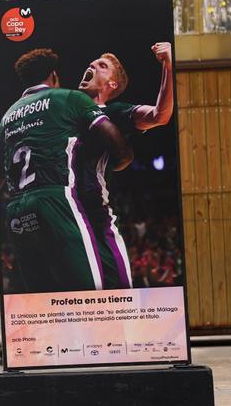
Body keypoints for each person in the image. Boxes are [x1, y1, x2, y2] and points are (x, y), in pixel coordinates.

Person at [0, 48, 132, 293]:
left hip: (16, 210)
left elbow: (0, 177)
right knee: (91, 293)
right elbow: (116, 143)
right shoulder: (67, 98)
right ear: (53, 75)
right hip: (56, 200)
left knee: (45, 298)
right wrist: (119, 162)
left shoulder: (6, 118)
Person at [73, 42, 173, 289]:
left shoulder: (114, 112)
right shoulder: (66, 107)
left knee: (116, 290)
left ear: (112, 85)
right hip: (62, 209)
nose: (92, 65)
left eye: (102, 66)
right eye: (93, 63)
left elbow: (161, 115)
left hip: (93, 209)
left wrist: (169, 65)